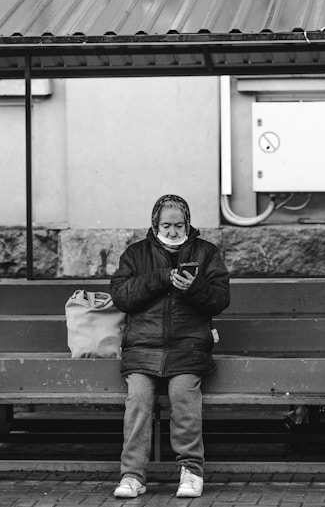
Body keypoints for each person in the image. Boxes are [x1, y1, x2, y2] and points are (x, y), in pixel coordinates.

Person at [110, 194, 230, 499]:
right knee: (138, 400)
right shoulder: (136, 254)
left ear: (188, 223)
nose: (174, 231)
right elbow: (122, 296)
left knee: (183, 397)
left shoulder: (207, 252)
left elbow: (220, 298)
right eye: (167, 225)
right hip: (143, 349)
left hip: (188, 348)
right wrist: (161, 278)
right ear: (155, 224)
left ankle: (191, 471)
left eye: (179, 225)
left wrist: (195, 288)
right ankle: (132, 475)